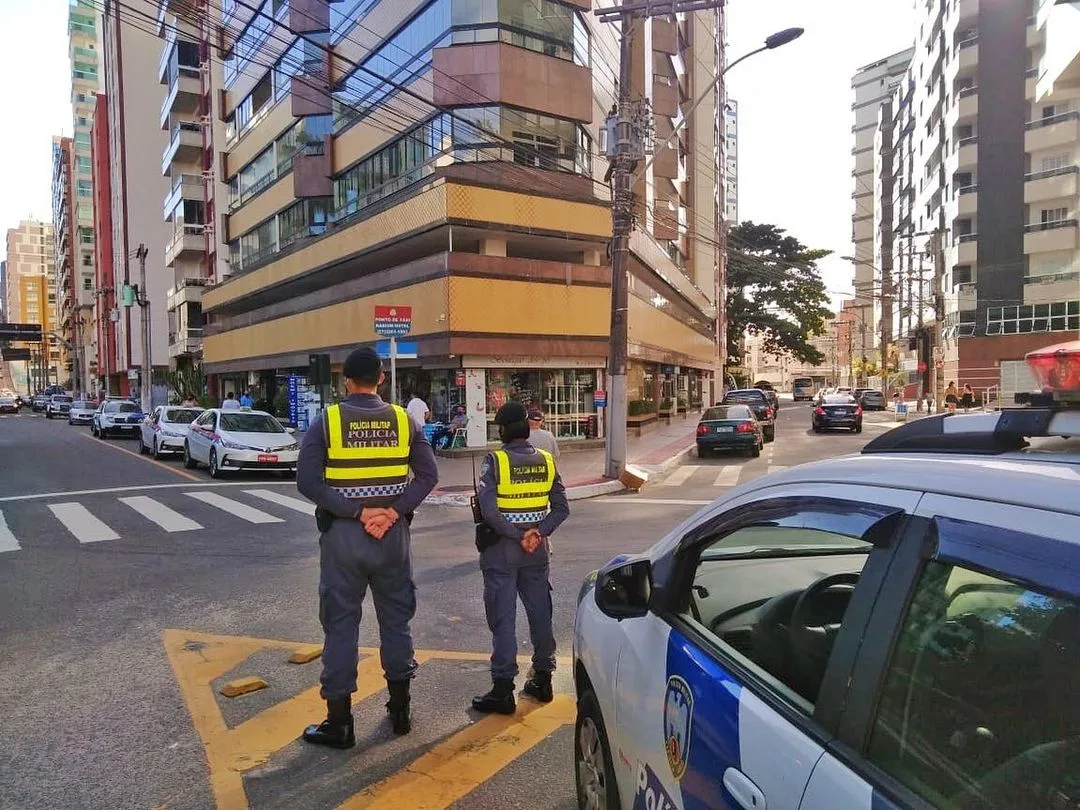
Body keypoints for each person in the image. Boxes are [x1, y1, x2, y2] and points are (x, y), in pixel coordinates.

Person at [296, 347, 438, 747]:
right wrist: (392, 512)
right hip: (392, 539)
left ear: (346, 382)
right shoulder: (403, 419)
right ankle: (400, 712)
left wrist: (357, 512)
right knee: (396, 622)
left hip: (344, 537)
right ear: (381, 379)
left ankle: (339, 723)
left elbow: (307, 482)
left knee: (341, 625)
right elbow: (428, 476)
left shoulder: (329, 421)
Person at [472, 401, 569, 715]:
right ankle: (543, 678)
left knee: (503, 618)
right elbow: (562, 508)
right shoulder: (545, 460)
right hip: (536, 551)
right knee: (540, 613)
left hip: (502, 551)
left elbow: (489, 511)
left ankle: (502, 689)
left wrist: (517, 535)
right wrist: (537, 533)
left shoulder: (495, 461)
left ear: (502, 430)